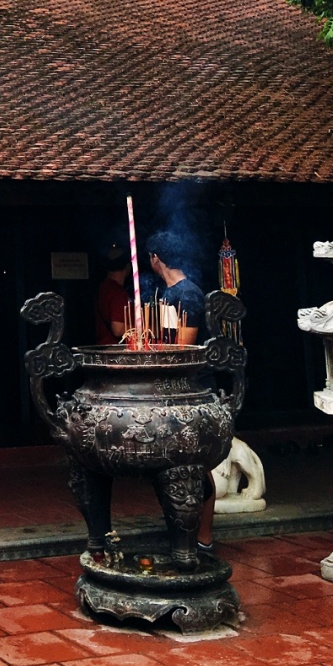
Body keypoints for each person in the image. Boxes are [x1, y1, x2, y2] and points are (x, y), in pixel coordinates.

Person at [146, 229, 215, 555]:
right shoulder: (164, 292)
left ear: (156, 258)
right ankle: (182, 531)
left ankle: (203, 538)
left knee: (197, 467)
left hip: (193, 388)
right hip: (169, 387)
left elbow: (182, 348)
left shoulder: (189, 295)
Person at [95, 244, 130, 343]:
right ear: (128, 266)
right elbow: (118, 330)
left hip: (101, 347)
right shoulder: (118, 293)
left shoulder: (101, 288)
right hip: (114, 351)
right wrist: (147, 327)